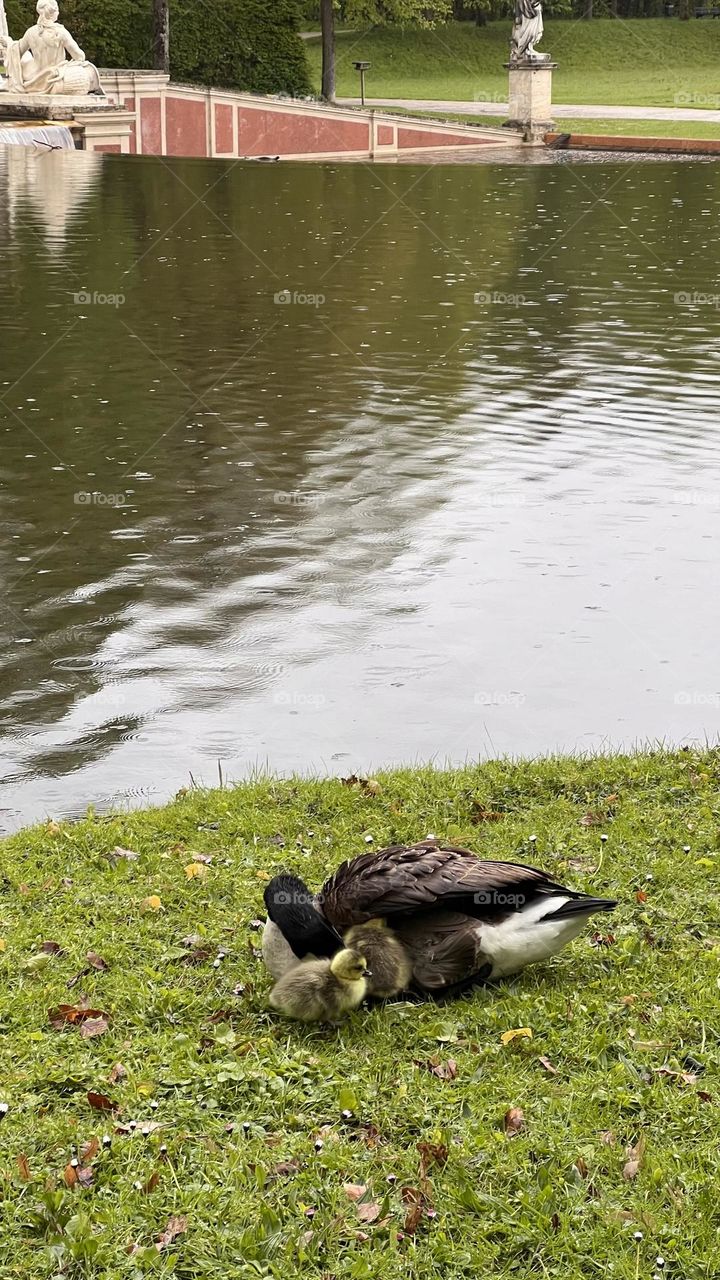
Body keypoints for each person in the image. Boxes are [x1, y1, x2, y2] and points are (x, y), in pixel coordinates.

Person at [0, 0, 102, 95]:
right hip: (53, 77)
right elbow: (79, 56)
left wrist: (9, 42)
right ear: (54, 12)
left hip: (33, 78)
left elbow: (16, 51)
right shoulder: (61, 32)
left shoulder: (31, 32)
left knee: (27, 56)